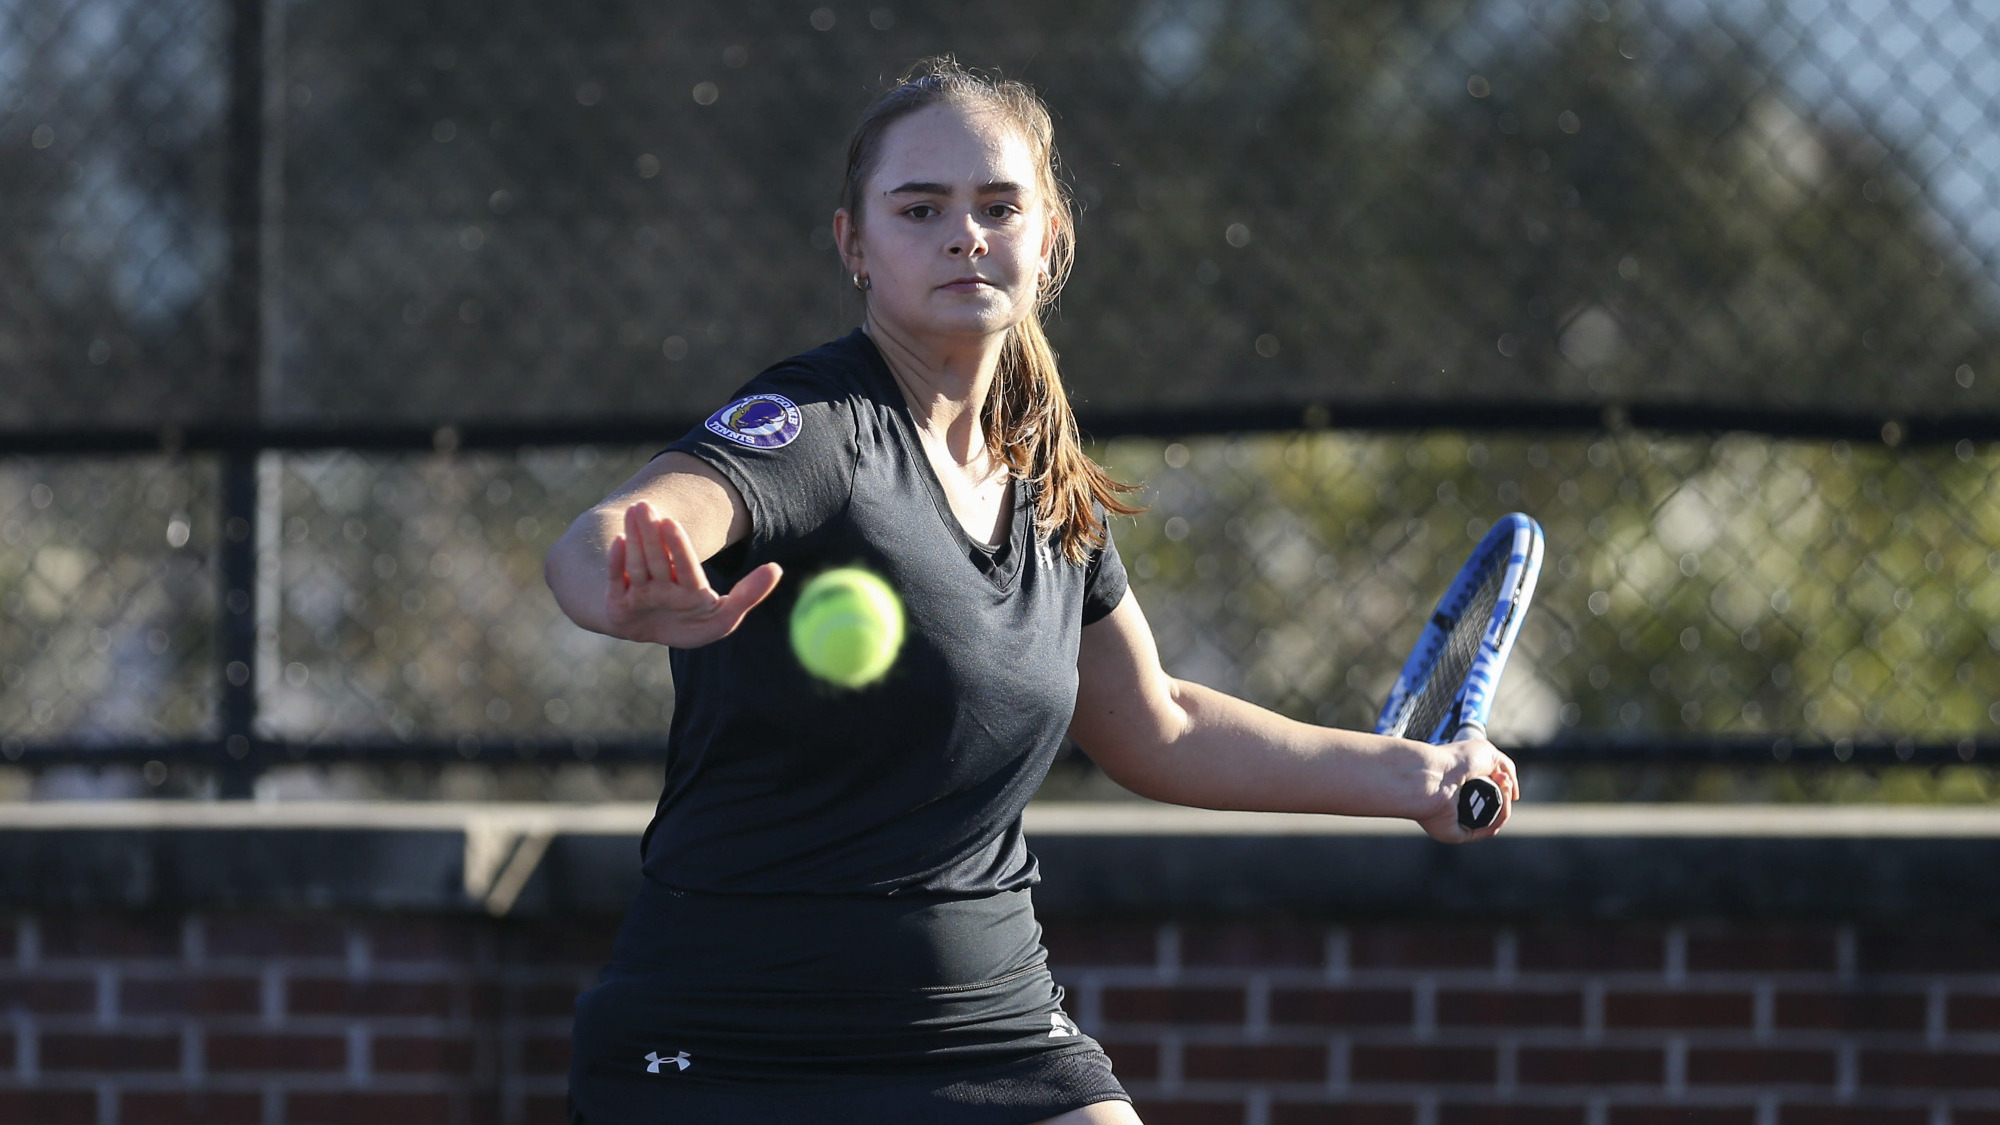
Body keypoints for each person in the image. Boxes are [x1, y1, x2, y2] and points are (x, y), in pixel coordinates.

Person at [544, 58, 1518, 1125]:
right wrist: (625, 581)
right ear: (853, 246)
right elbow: (609, 536)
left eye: (996, 206)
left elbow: (1158, 725)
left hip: (986, 1031)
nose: (963, 233)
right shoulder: (814, 426)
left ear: (1047, 237)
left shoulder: (1051, 489)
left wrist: (1414, 778)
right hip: (725, 1036)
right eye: (920, 209)